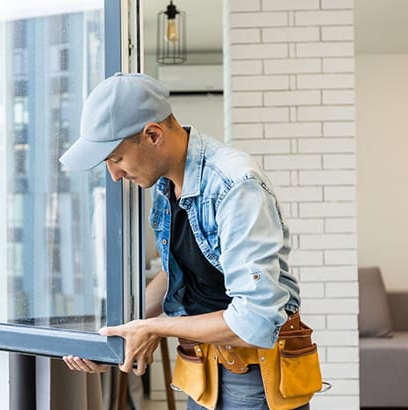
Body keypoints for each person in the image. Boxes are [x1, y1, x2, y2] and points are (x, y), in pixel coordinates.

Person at [60, 72, 308, 410]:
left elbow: (256, 319)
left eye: (116, 159)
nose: (115, 175)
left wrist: (156, 328)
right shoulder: (165, 185)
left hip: (252, 376)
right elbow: (178, 271)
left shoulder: (235, 185)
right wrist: (117, 336)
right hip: (202, 368)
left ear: (152, 135)